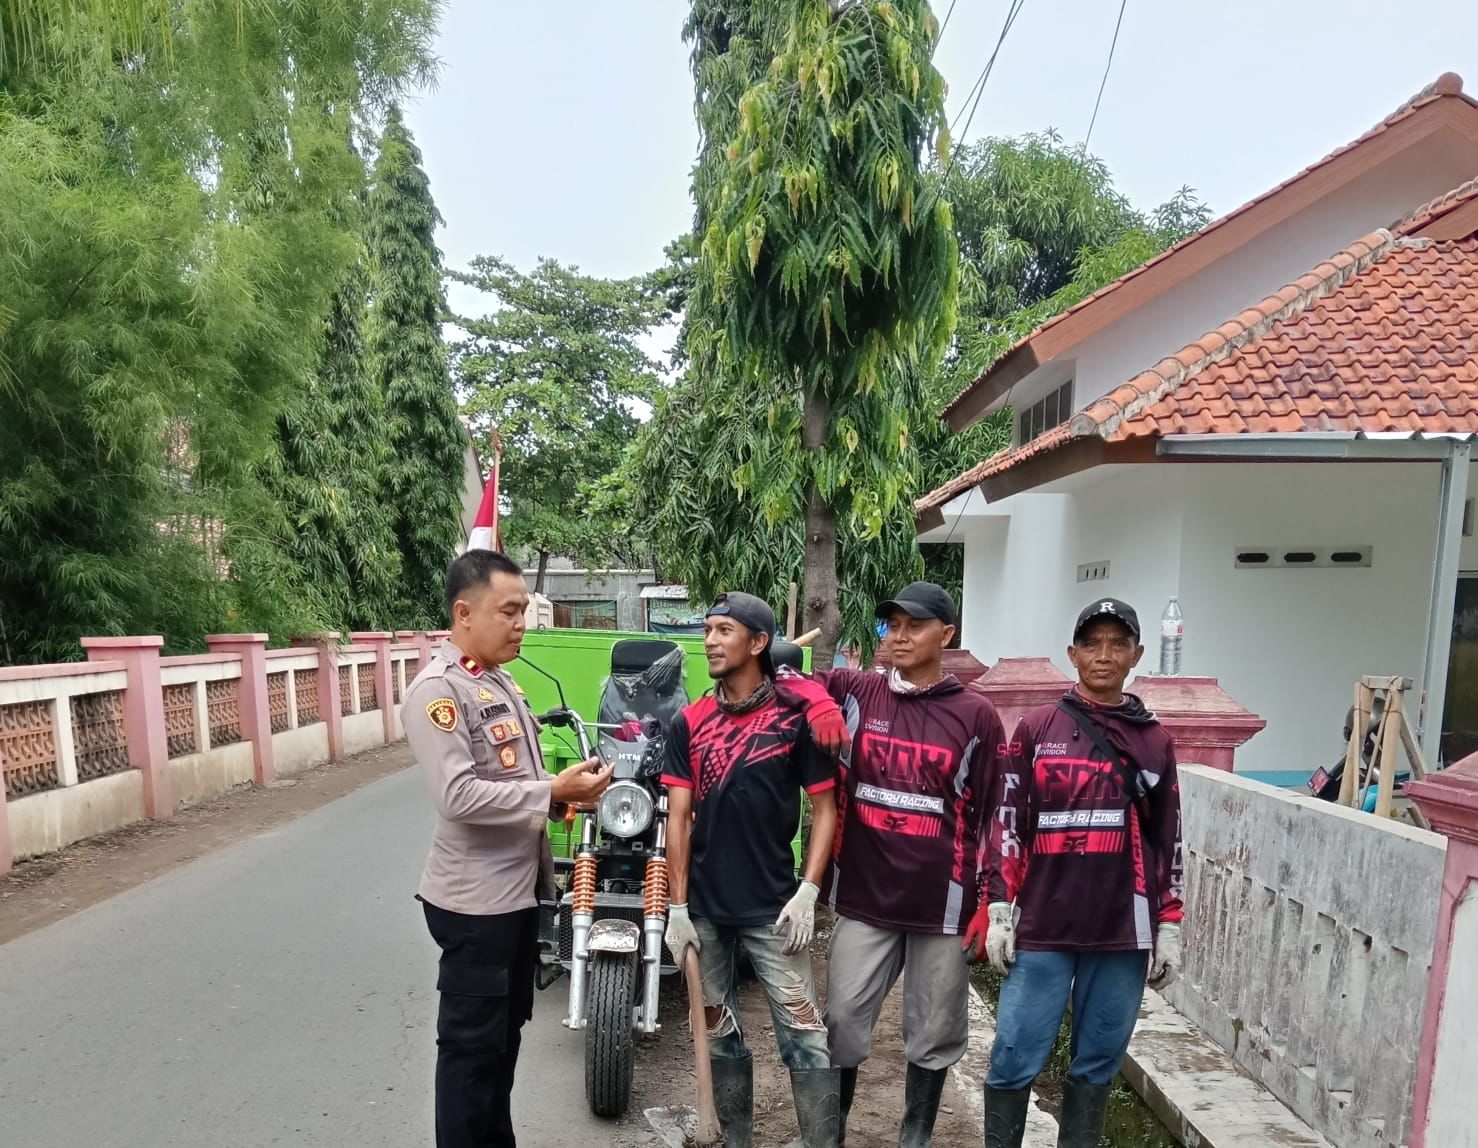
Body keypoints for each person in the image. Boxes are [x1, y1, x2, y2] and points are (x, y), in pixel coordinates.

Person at [775, 581, 1005, 1147]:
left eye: (914, 626)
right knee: (841, 1022)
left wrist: (993, 902)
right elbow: (778, 669)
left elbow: (995, 816)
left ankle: (915, 1137)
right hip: (864, 899)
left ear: (946, 635)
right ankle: (830, 1135)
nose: (899, 636)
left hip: (943, 908)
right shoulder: (857, 692)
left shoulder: (976, 716)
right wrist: (818, 702)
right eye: (891, 625)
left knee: (934, 1033)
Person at [403, 549, 613, 1148]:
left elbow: (512, 781)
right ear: (464, 613)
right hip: (476, 905)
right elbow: (458, 795)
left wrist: (565, 798)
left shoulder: (496, 679)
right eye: (509, 611)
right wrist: (551, 790)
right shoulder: (439, 691)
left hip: (517, 896)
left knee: (502, 1043)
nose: (521, 624)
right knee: (471, 1055)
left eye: (524, 611)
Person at [982, 598, 1184, 1148]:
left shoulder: (1154, 741)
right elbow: (1009, 819)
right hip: (1044, 925)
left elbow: (1167, 838)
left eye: (1118, 644)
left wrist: (1169, 923)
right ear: (1072, 654)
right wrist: (999, 907)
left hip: (1122, 931)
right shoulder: (1037, 728)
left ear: (1137, 655)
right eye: (1092, 644)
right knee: (1013, 1055)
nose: (1104, 655)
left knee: (1097, 1064)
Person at [661, 591, 845, 1148]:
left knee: (806, 1036)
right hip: (706, 911)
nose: (710, 641)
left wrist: (809, 890)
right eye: (708, 630)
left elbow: (826, 809)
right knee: (718, 1034)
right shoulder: (689, 722)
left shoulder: (796, 720)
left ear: (759, 642)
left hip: (774, 908)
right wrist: (676, 908)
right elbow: (678, 819)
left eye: (724, 631)